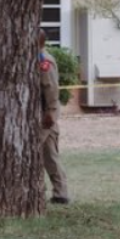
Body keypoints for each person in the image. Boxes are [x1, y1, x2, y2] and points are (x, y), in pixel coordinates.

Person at [39, 30, 70, 204]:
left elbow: (50, 88)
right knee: (50, 154)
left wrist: (50, 112)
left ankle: (45, 190)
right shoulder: (36, 58)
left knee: (33, 151)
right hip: (43, 112)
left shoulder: (44, 61)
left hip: (45, 113)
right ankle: (61, 193)